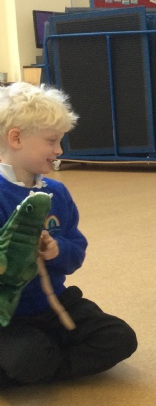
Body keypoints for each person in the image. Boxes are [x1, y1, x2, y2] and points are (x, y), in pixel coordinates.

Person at [0, 82, 137, 387]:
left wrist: (56, 250)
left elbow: (76, 251)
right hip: (8, 317)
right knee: (29, 357)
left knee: (120, 338)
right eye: (52, 141)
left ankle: (40, 363)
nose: (59, 150)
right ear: (16, 138)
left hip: (54, 304)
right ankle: (37, 360)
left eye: (60, 141)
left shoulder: (57, 193)